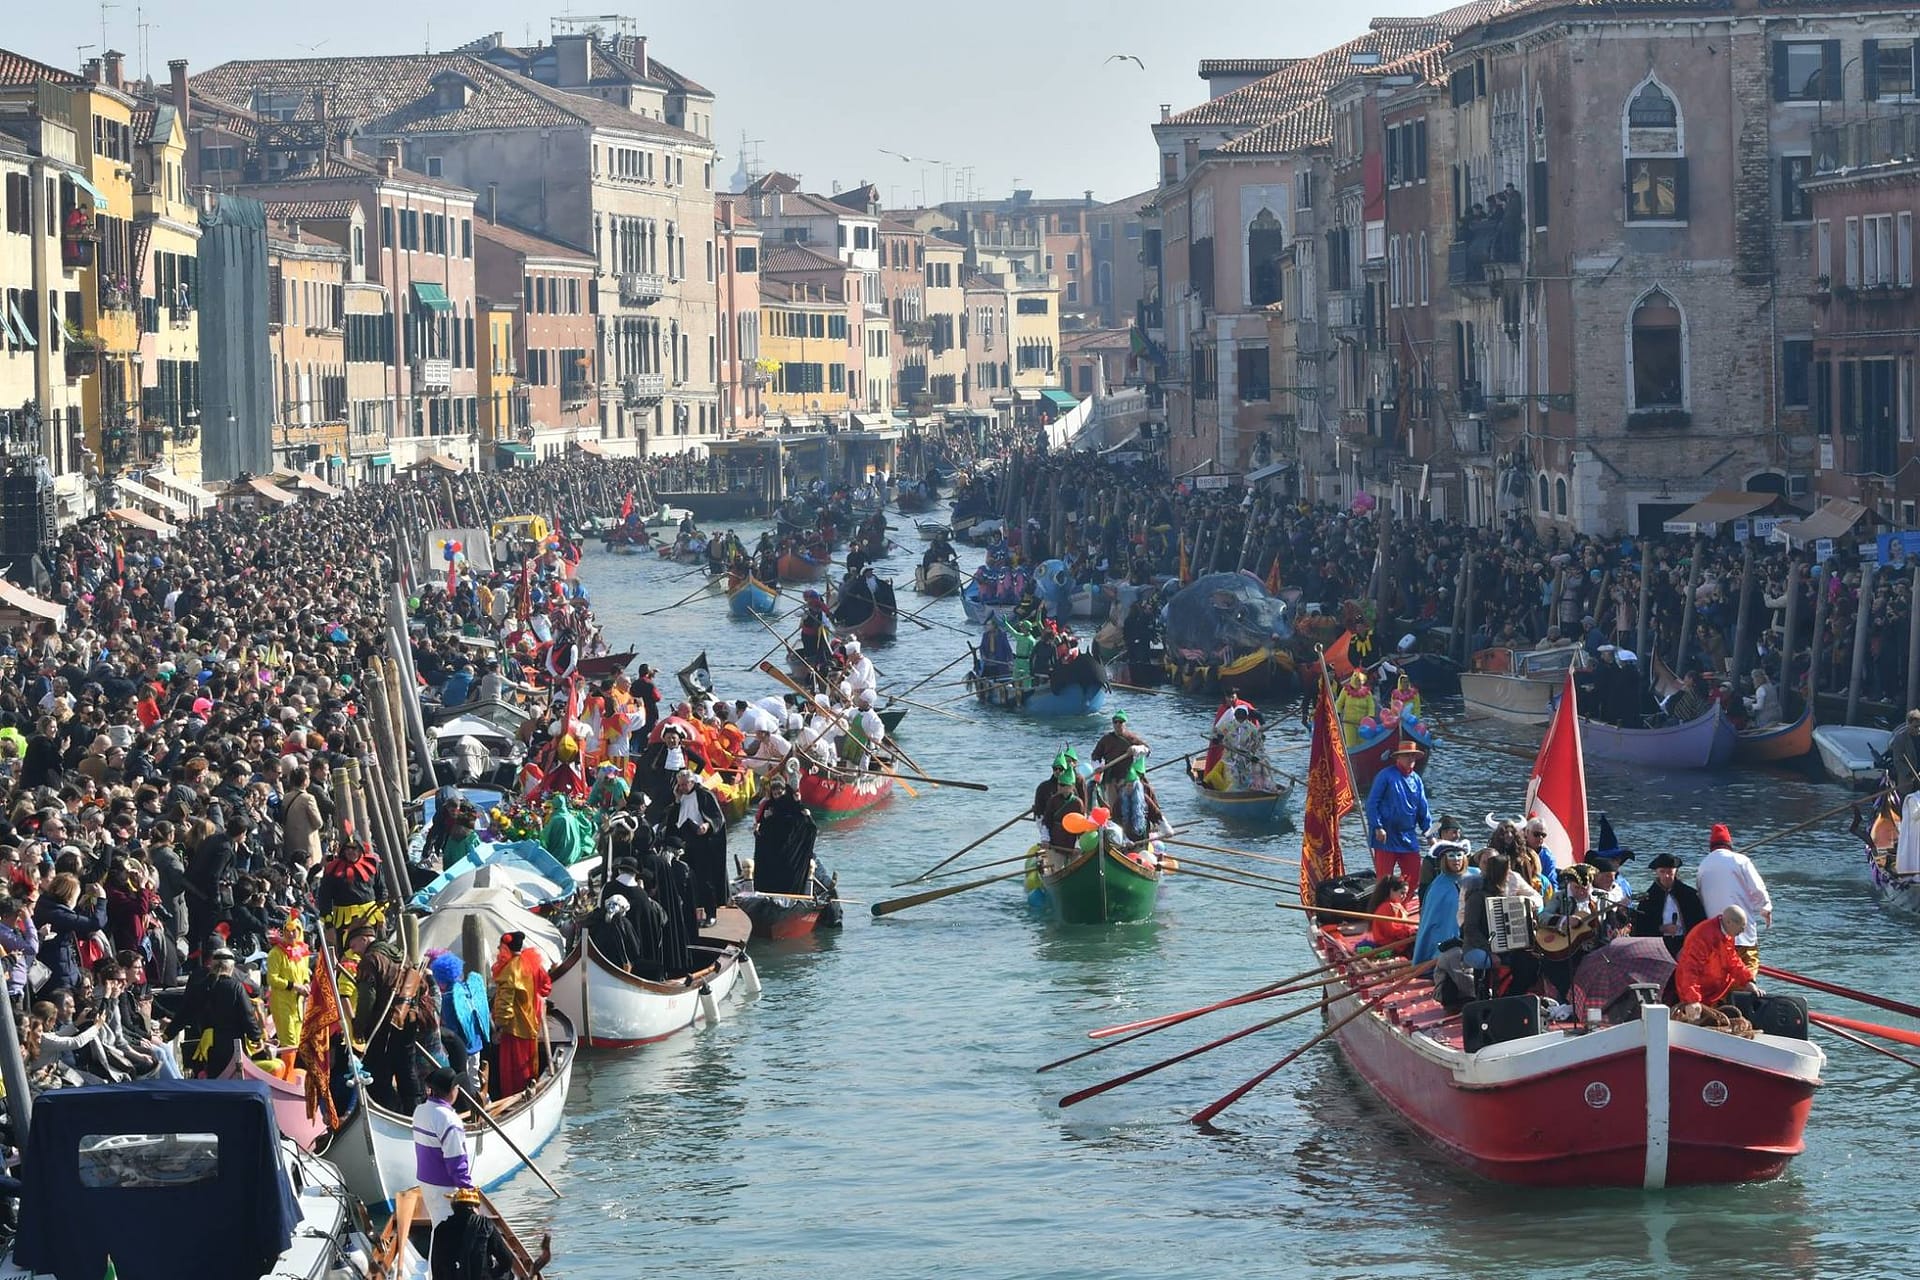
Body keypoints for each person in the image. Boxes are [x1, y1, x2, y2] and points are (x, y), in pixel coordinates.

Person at [1695, 822, 1772, 967]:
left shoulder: (1703, 866)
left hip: (1716, 937)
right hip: (1742, 935)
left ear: (1711, 846)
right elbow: (1758, 889)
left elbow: (1701, 898)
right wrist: (1765, 908)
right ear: (1729, 844)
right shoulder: (1741, 860)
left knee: (1723, 978)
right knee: (1746, 973)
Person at [412, 1066, 475, 1227]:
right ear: (451, 1091)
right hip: (445, 1186)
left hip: (426, 1181)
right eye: (456, 1087)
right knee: (450, 1232)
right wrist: (467, 1191)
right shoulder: (450, 1120)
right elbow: (456, 1160)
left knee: (438, 1225)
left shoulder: (419, 1111)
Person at [490, 931, 551, 1099]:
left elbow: (504, 1005)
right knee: (529, 1065)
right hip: (531, 1023)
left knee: (512, 1071)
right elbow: (546, 987)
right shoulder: (533, 964)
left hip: (513, 1030)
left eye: (500, 947)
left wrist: (499, 1027)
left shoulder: (510, 970)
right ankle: (530, 1092)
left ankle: (513, 1100)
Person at [666, 769, 728, 926]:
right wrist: (677, 800)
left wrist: (707, 825)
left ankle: (711, 913)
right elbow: (673, 820)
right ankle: (692, 912)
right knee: (687, 879)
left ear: (692, 782)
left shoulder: (704, 795)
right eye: (680, 785)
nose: (683, 788)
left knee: (705, 879)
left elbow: (718, 818)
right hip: (685, 844)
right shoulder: (679, 797)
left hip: (703, 843)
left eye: (685, 784)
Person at [1671, 905, 1759, 1013]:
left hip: (1714, 991)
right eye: (1741, 927)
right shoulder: (1703, 936)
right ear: (1729, 922)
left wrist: (1748, 981)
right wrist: (1692, 1000)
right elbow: (1689, 969)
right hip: (1700, 992)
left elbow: (1732, 960)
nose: (1742, 931)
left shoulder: (1727, 934)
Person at [1364, 744, 1430, 883]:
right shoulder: (1385, 775)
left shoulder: (1416, 780)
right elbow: (1372, 803)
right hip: (1386, 836)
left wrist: (1429, 833)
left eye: (1413, 755)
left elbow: (1423, 809)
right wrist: (1377, 826)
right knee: (1384, 878)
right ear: (1398, 757)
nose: (1410, 758)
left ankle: (1402, 902)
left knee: (1414, 875)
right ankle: (1384, 903)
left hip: (1408, 835)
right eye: (1406, 755)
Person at [430, 1186, 521, 1280]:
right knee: (508, 1274)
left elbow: (436, 1267)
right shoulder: (485, 1224)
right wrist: (492, 1274)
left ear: (454, 1208)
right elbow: (507, 1260)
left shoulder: (441, 1229)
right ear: (475, 1208)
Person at [1630, 851, 1708, 958]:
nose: (1666, 876)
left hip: (1686, 944)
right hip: (1658, 945)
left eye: (1670, 872)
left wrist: (1688, 946)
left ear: (1676, 872)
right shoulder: (1648, 898)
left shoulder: (1689, 895)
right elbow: (1642, 927)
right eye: (1662, 872)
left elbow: (1699, 923)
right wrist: (1661, 928)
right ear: (1657, 872)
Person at [1413, 840, 1478, 964]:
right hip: (1448, 937)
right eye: (1451, 856)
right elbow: (1433, 920)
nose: (1456, 859)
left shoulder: (1476, 875)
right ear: (1445, 860)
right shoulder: (1438, 886)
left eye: (1459, 855)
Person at [752, 776, 818, 895]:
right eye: (775, 794)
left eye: (780, 793)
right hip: (774, 846)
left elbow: (807, 825)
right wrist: (766, 819)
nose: (777, 796)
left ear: (784, 791)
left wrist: (805, 813)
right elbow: (761, 827)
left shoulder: (792, 803)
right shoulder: (769, 805)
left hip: (791, 848)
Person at [264, 914, 311, 1047]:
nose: (290, 934)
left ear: (300, 931)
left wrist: (306, 983)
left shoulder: (303, 951)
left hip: (298, 1004)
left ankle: (291, 1067)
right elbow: (272, 979)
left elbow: (305, 972)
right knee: (289, 1042)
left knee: (297, 1041)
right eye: (287, 931)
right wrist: (295, 986)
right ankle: (288, 1067)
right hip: (282, 1002)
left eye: (294, 930)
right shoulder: (276, 953)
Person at [1033, 750, 1091, 847]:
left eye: (1061, 769)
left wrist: (1079, 844)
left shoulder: (1077, 800)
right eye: (1055, 769)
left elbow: (1082, 818)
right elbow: (1043, 818)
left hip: (1071, 835)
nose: (1058, 772)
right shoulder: (1045, 790)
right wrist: (1045, 838)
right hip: (1054, 836)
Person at [1363, 873, 1416, 949]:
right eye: (1402, 893)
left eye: (1406, 894)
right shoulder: (1388, 907)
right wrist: (1410, 932)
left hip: (1397, 940)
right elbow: (1392, 931)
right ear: (1391, 890)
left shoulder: (1395, 904)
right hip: (1391, 944)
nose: (1405, 896)